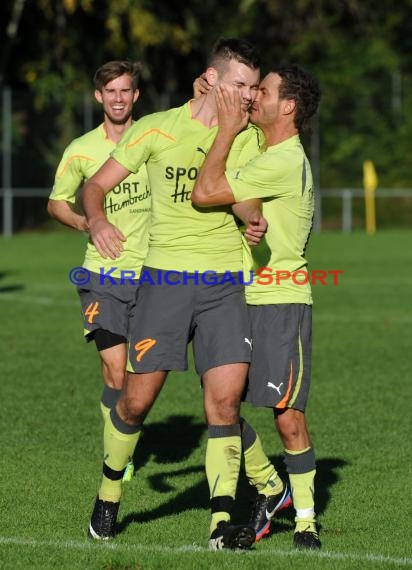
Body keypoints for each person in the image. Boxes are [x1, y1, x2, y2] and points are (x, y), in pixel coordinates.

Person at [82, 38, 273, 551]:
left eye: (255, 87)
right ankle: (108, 491)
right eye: (240, 85)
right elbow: (95, 186)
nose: (250, 96)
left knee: (226, 403)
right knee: (136, 402)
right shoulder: (156, 128)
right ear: (211, 80)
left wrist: (252, 220)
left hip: (224, 286)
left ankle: (220, 524)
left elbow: (247, 199)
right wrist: (96, 219)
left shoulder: (251, 138)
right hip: (165, 284)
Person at [191, 64, 322, 550]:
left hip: (280, 301)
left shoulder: (283, 160)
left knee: (286, 414)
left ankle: (306, 521)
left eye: (262, 91)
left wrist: (226, 127)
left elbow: (206, 191)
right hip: (242, 296)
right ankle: (269, 484)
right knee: (219, 402)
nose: (254, 97)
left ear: (287, 106)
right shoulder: (268, 152)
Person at [48, 60, 151, 482]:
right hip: (102, 276)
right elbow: (57, 202)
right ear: (98, 97)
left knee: (138, 377)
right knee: (114, 367)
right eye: (111, 91)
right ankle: (118, 458)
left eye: (125, 91)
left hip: (154, 275)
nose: (119, 98)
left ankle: (121, 435)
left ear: (136, 96)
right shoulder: (81, 149)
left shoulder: (155, 140)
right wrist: (87, 223)